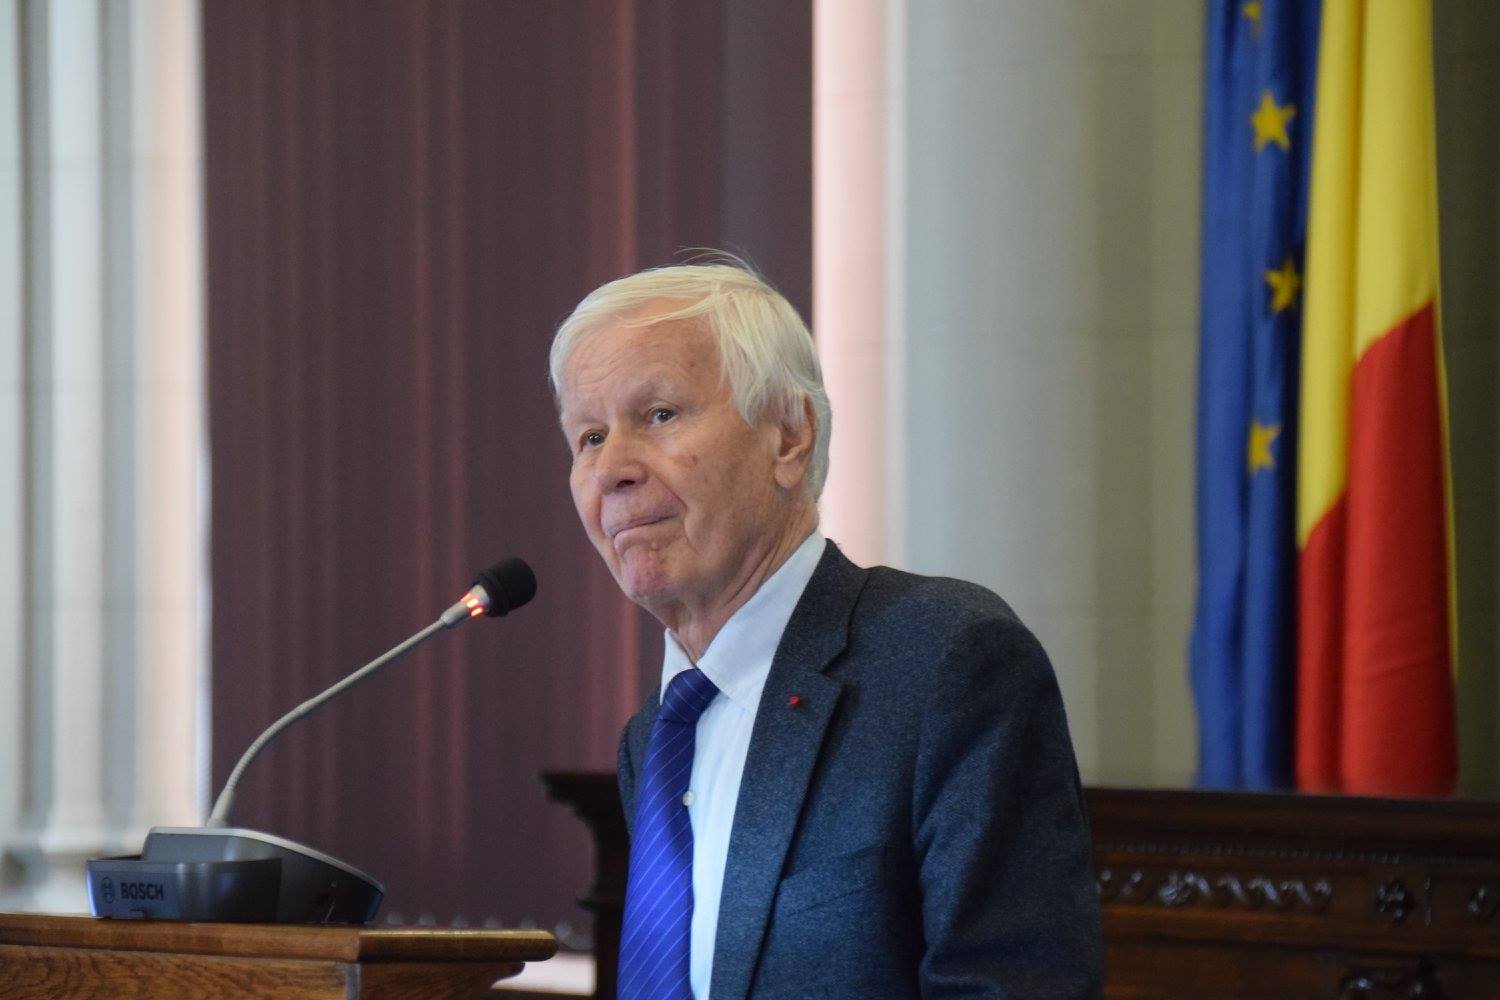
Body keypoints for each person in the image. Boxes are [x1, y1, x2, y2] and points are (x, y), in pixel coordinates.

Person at [550, 257, 1101, 999]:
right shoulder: (652, 738)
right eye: (588, 436)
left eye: (659, 415)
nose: (611, 468)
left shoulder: (945, 661)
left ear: (789, 436)